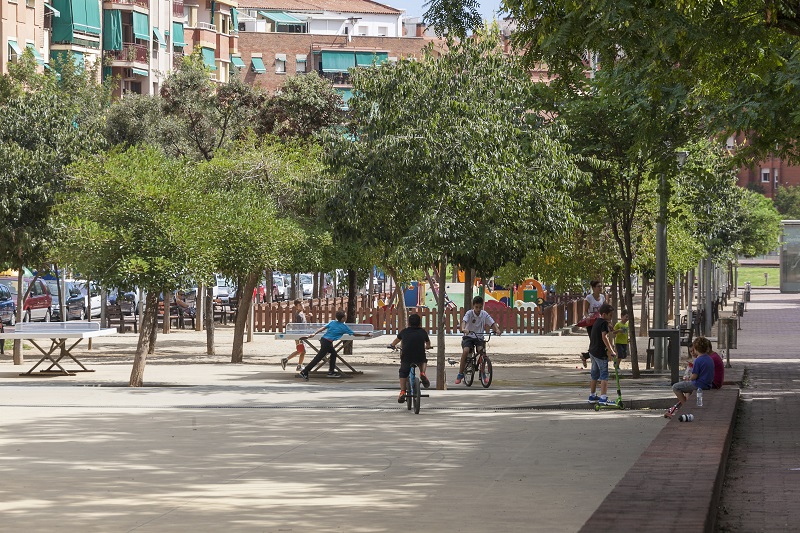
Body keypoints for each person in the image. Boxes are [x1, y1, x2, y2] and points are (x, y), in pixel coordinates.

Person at [297, 310, 371, 379]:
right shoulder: (344, 327)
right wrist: (365, 335)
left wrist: (315, 333)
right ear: (342, 319)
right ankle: (305, 371)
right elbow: (354, 334)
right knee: (318, 358)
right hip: (327, 343)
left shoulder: (332, 322)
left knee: (333, 354)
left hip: (323, 340)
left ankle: (331, 372)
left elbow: (322, 328)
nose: (346, 317)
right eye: (345, 316)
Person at [665, 336, 715, 418]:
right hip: (708, 384)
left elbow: (694, 376)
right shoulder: (709, 359)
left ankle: (686, 407)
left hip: (699, 384)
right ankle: (688, 405)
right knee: (687, 388)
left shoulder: (698, 360)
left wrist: (689, 378)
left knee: (676, 387)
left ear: (695, 348)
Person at [456, 296, 501, 384]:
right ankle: (460, 373)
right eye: (476, 307)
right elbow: (464, 321)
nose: (478, 309)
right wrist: (463, 329)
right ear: (473, 306)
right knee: (466, 351)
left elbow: (492, 323)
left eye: (480, 307)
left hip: (479, 337)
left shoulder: (484, 314)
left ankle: (483, 373)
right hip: (468, 336)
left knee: (482, 352)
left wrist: (497, 330)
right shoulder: (469, 313)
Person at [388, 313, 432, 403]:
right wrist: (428, 346)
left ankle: (402, 391)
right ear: (420, 323)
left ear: (408, 323)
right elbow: (428, 343)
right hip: (419, 355)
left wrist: (392, 345)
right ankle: (422, 373)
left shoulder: (404, 331)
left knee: (403, 372)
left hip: (407, 356)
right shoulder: (423, 332)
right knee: (423, 360)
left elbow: (395, 342)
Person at [587, 303, 617, 405]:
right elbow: (604, 337)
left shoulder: (597, 321)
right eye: (610, 315)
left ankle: (592, 395)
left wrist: (608, 325)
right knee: (604, 375)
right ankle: (603, 397)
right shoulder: (604, 323)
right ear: (604, 314)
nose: (611, 318)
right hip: (600, 353)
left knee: (594, 375)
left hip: (592, 351)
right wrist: (611, 350)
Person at [581, 281, 607, 368]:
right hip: (591, 323)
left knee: (600, 341)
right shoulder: (589, 298)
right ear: (593, 288)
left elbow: (604, 310)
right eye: (598, 286)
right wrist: (587, 316)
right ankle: (590, 358)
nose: (600, 288)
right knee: (594, 341)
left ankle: (586, 356)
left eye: (601, 286)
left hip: (600, 322)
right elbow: (585, 311)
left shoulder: (603, 297)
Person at [281, 300, 307, 371]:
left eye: (302, 304)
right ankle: (286, 360)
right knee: (301, 350)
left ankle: (299, 365)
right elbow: (298, 326)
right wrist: (299, 337)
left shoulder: (301, 313)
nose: (302, 306)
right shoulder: (298, 315)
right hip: (299, 335)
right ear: (296, 306)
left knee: (302, 351)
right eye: (300, 305)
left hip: (302, 334)